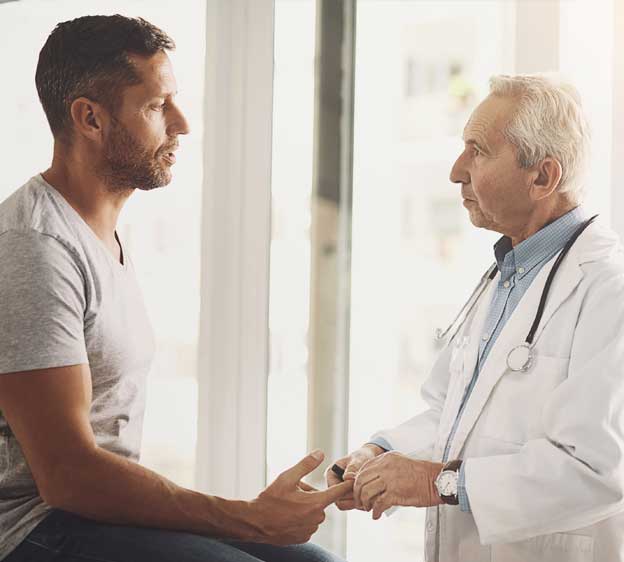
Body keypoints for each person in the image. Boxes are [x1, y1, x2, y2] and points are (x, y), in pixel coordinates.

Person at [0, 15, 352, 562]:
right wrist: (250, 519)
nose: (182, 124)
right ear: (89, 118)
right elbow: (67, 477)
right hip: (33, 531)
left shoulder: (97, 232)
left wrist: (249, 520)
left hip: (90, 518)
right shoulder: (33, 248)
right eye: (156, 106)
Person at [328, 74, 624, 561]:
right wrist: (380, 456)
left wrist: (436, 482)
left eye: (478, 150)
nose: (455, 171)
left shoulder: (607, 288)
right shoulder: (507, 273)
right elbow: (454, 419)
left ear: (542, 177)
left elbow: (594, 469)